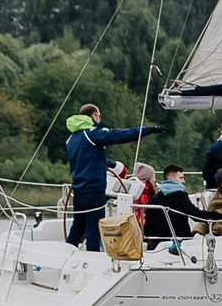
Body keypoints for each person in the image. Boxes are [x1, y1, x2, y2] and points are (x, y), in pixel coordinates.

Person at [62, 104, 155, 253]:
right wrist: (146, 130)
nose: (99, 119)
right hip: (94, 189)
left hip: (79, 190)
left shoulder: (71, 138)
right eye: (99, 116)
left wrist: (105, 163)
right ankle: (92, 260)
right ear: (93, 116)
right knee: (94, 227)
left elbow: (85, 159)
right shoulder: (92, 133)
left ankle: (66, 255)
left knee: (78, 227)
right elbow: (119, 135)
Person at [133, 164, 208, 249]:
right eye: (181, 178)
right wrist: (219, 216)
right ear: (171, 179)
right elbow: (194, 214)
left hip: (157, 243)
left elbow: (147, 225)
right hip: (180, 243)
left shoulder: (152, 199)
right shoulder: (180, 196)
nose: (184, 181)